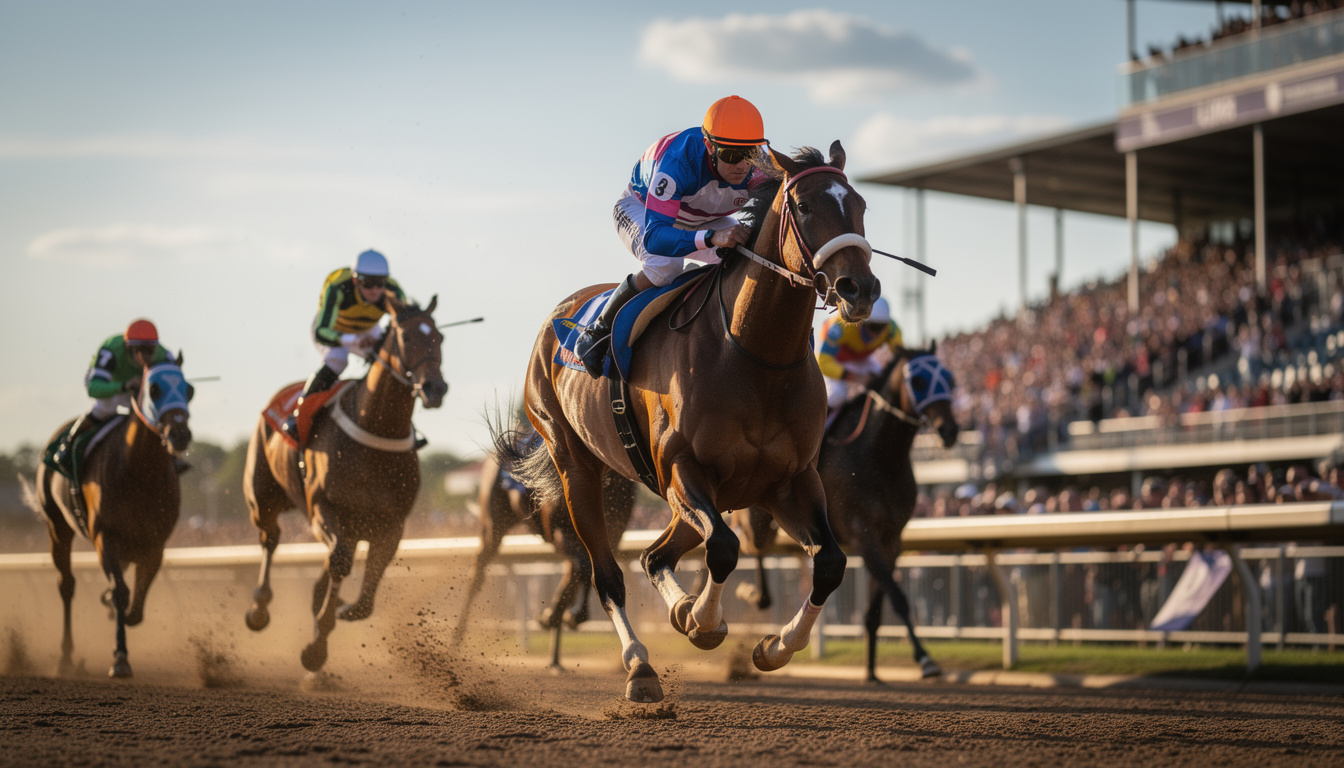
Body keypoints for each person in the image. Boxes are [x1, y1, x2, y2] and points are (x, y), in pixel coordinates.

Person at [575, 95, 769, 377]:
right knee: (665, 266)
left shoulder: (759, 168)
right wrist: (711, 238)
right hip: (643, 210)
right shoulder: (679, 162)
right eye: (731, 155)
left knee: (748, 255)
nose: (742, 165)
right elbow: (656, 238)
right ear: (709, 146)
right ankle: (598, 331)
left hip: (704, 217)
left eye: (749, 153)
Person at [281, 249, 407, 440]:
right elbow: (322, 332)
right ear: (356, 281)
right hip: (333, 330)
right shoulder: (338, 287)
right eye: (368, 283)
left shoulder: (393, 291)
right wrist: (352, 340)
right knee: (338, 361)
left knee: (388, 362)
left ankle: (403, 423)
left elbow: (404, 322)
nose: (375, 290)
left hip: (368, 330)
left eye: (380, 283)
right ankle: (299, 415)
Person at [50, 319, 176, 474]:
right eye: (142, 351)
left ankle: (172, 456)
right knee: (105, 407)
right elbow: (93, 389)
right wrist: (123, 385)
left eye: (151, 350)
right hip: (110, 385)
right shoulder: (112, 350)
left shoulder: (164, 354)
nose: (148, 356)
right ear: (129, 348)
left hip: (138, 390)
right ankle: (68, 445)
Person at [816, 297, 903, 412]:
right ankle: (823, 427)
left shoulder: (892, 329)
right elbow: (823, 362)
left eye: (881, 327)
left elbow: (901, 358)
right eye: (873, 327)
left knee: (885, 381)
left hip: (862, 358)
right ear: (861, 321)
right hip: (834, 360)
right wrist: (855, 377)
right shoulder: (841, 326)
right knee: (836, 396)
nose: (877, 333)